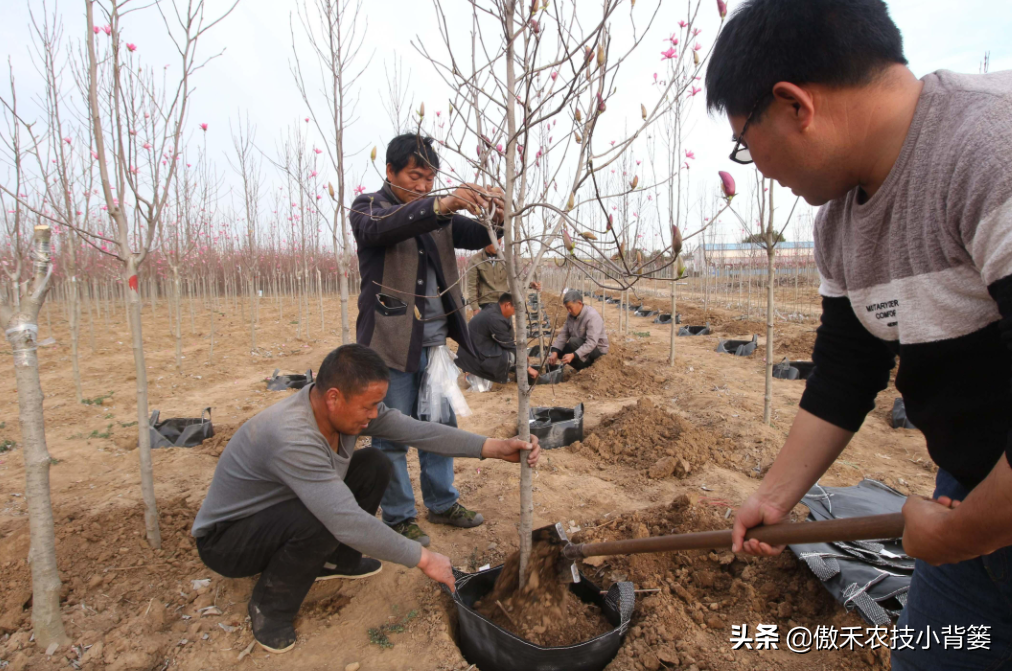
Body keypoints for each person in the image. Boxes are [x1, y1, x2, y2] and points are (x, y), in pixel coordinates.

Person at [705, 1, 1012, 669]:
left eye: (743, 143)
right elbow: (846, 372)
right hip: (972, 487)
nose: (753, 164)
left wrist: (968, 530)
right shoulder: (841, 222)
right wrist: (774, 495)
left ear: (793, 105)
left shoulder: (990, 152)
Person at [191, 344, 540, 654]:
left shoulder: (344, 413)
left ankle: (337, 560)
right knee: (324, 514)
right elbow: (343, 518)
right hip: (228, 540)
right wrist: (424, 558)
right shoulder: (292, 435)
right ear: (333, 397)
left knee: (373, 463)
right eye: (369, 406)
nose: (375, 414)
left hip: (279, 511)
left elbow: (417, 431)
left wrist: (493, 448)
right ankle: (271, 606)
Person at [350, 133, 504, 547]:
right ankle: (399, 517)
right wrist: (441, 204)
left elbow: (480, 236)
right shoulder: (369, 208)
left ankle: (442, 503)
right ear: (390, 171)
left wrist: (498, 212)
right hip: (389, 344)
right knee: (392, 434)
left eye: (429, 179)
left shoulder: (440, 218)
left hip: (434, 345)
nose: (423, 186)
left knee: (439, 427)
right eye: (415, 176)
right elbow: (380, 229)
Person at [455, 293, 540, 384]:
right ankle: (475, 374)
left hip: (473, 350)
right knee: (510, 356)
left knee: (511, 353)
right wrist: (528, 368)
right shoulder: (495, 319)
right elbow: (508, 345)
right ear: (507, 305)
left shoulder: (493, 309)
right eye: (514, 309)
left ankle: (473, 370)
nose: (514, 313)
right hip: (474, 356)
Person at [465, 239, 541, 311]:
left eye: (499, 243)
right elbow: (472, 286)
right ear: (486, 240)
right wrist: (475, 308)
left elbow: (516, 277)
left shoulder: (506, 257)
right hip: (486, 303)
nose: (497, 244)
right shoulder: (476, 260)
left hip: (505, 302)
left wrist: (530, 284)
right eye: (494, 242)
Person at [547, 289, 608, 371]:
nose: (568, 310)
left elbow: (592, 342)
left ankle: (587, 367)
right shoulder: (571, 315)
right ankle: (581, 366)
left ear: (579, 303)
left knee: (573, 341)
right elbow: (564, 334)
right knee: (560, 351)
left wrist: (573, 355)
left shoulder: (592, 316)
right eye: (567, 308)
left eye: (570, 307)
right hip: (581, 345)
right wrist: (555, 352)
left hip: (597, 350)